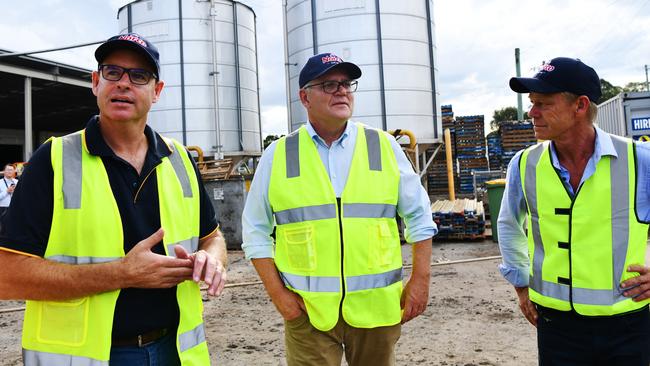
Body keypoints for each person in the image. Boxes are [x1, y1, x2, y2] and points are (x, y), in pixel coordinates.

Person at [0, 33, 227, 366]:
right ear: (96, 83)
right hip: (87, 357)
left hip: (176, 351)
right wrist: (122, 273)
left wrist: (214, 259)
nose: (124, 83)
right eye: (113, 72)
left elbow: (214, 237)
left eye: (139, 76)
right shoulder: (54, 160)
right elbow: (7, 275)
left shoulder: (180, 159)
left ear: (157, 91)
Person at [241, 52, 436, 366]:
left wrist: (420, 280)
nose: (342, 91)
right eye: (329, 85)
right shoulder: (279, 155)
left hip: (377, 310)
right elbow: (254, 232)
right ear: (305, 97)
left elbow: (420, 217)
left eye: (346, 84)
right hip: (307, 312)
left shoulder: (383, 146)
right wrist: (280, 296)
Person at [498, 57, 650, 365]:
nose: (532, 113)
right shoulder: (525, 164)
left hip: (628, 324)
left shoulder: (640, 161)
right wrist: (521, 286)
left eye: (543, 103)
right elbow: (509, 225)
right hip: (556, 327)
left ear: (580, 106)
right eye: (531, 103)